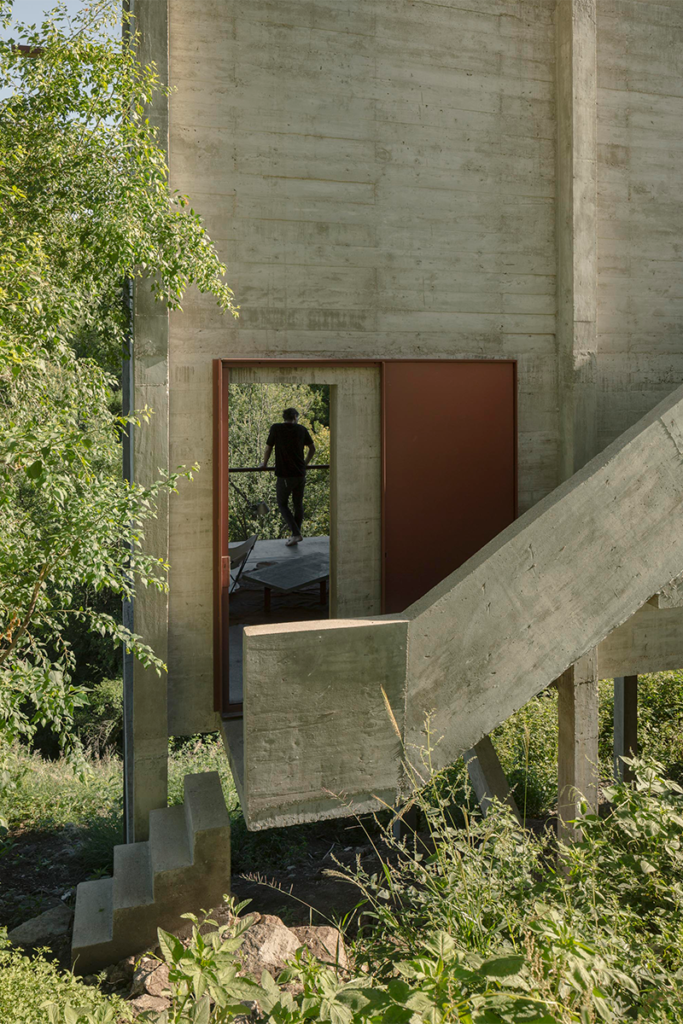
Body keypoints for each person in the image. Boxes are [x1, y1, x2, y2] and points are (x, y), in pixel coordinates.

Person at [260, 407, 315, 545]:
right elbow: (312, 449)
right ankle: (295, 535)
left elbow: (268, 448)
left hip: (284, 475)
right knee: (298, 505)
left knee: (282, 504)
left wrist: (264, 463)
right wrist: (305, 464)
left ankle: (296, 534)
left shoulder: (276, 428)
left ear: (284, 417)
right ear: (295, 417)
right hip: (300, 474)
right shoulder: (302, 429)